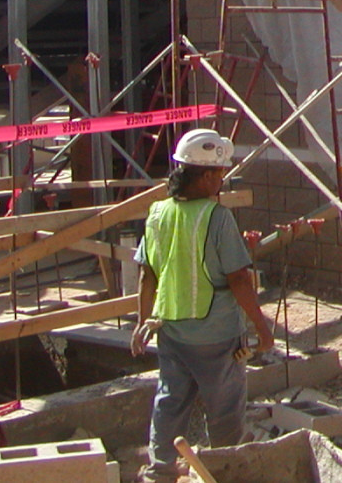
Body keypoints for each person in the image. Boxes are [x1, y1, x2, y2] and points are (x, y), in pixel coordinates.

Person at [132, 129, 274, 482]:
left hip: (171, 330)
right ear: (207, 175)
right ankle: (223, 470)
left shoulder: (157, 213)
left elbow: (147, 275)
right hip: (217, 335)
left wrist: (142, 321)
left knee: (170, 402)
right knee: (224, 407)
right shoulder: (216, 217)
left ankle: (160, 471)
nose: (222, 180)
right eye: (220, 173)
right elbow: (238, 279)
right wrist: (261, 327)